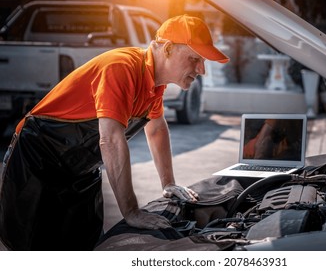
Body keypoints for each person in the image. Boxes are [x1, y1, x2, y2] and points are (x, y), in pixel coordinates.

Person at [0, 14, 229, 250]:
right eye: (194, 59)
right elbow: (110, 140)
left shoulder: (155, 84)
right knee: (32, 248)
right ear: (168, 49)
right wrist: (131, 212)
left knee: (82, 245)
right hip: (36, 161)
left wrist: (169, 183)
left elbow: (157, 129)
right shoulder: (122, 67)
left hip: (79, 170)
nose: (201, 69)